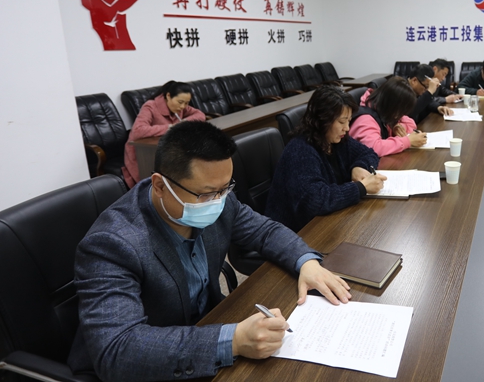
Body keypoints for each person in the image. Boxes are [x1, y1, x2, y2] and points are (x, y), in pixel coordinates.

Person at [68, 121, 351, 382]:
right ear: (160, 186)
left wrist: (306, 263)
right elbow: (118, 350)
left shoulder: (217, 198)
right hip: (149, 365)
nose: (217, 201)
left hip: (206, 326)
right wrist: (233, 340)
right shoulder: (111, 243)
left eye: (225, 188)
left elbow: (265, 231)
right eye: (206, 194)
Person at [264, 85, 386, 232]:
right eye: (342, 122)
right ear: (323, 120)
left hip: (328, 221)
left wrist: (359, 166)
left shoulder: (337, 139)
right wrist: (361, 187)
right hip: (294, 232)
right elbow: (316, 200)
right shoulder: (300, 150)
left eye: (348, 121)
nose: (347, 128)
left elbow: (369, 154)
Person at [122, 81, 206, 188]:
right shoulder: (150, 106)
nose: (183, 106)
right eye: (180, 102)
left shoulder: (180, 107)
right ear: (168, 96)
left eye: (186, 103)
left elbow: (200, 115)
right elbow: (138, 130)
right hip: (143, 153)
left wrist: (184, 122)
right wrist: (170, 127)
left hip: (166, 148)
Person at [350, 76, 427, 156]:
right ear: (390, 104)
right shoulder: (365, 119)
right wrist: (407, 141)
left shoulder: (384, 109)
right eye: (400, 112)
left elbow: (411, 123)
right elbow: (374, 148)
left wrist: (397, 126)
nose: (398, 116)